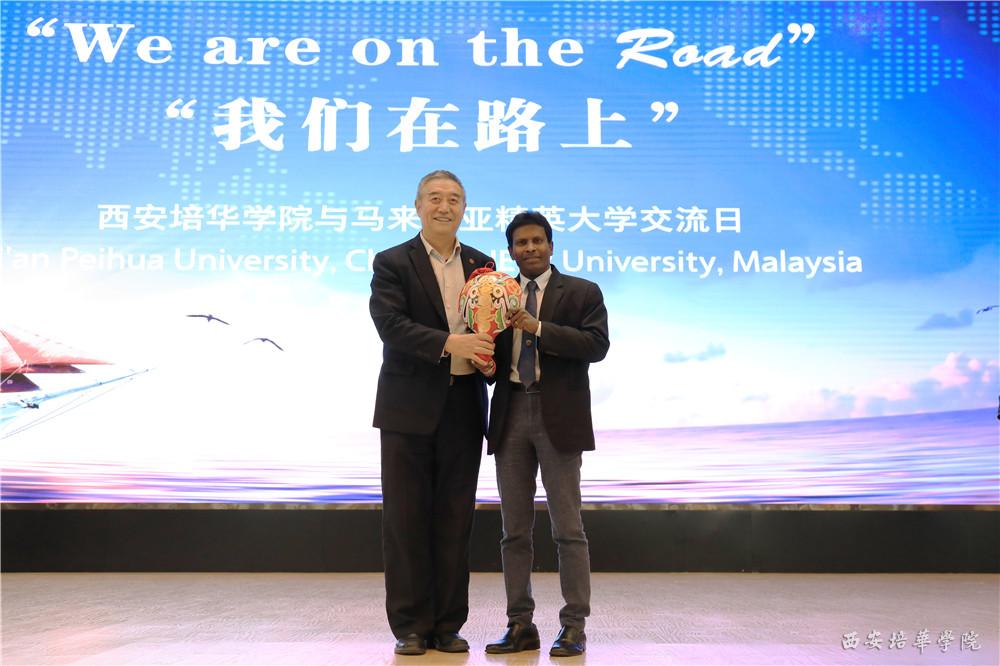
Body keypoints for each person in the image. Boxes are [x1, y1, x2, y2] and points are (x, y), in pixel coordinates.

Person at [369, 170, 494, 656]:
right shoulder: (392, 261)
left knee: (455, 519)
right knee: (406, 520)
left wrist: (491, 356)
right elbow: (390, 325)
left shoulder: (483, 265)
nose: (445, 206)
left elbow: (494, 330)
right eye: (435, 198)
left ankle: (447, 623)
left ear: (464, 208)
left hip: (464, 405)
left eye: (454, 199)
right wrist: (449, 343)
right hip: (408, 409)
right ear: (417, 206)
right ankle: (410, 626)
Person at [482, 211, 610, 657]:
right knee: (513, 531)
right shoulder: (497, 295)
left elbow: (596, 346)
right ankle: (519, 624)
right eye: (521, 243)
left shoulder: (582, 291)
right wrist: (484, 363)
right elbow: (494, 358)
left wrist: (538, 328)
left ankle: (574, 626)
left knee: (568, 529)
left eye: (537, 241)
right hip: (510, 411)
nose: (530, 248)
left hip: (559, 415)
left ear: (551, 246)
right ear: (511, 251)